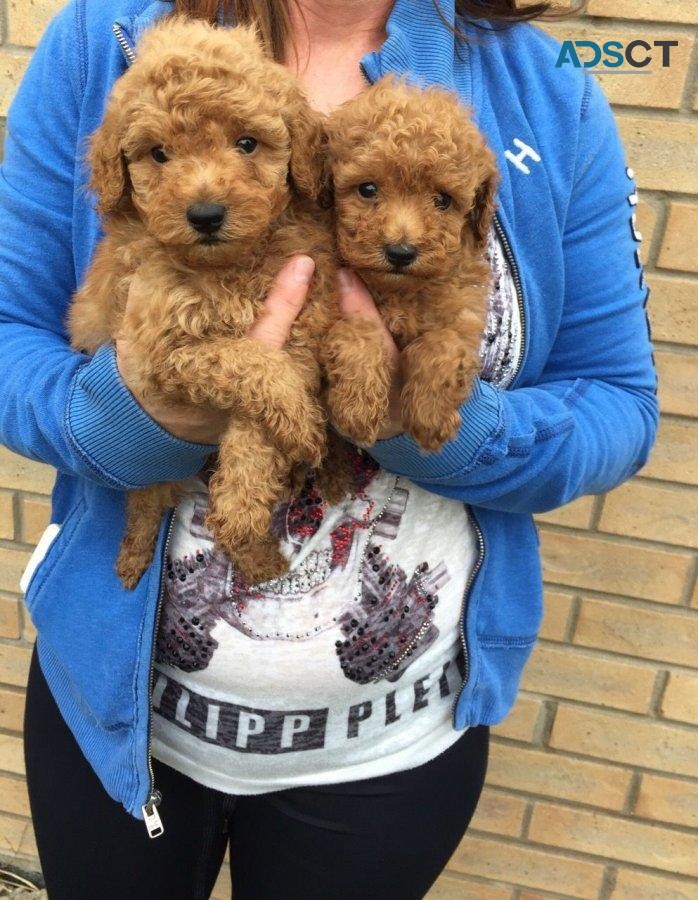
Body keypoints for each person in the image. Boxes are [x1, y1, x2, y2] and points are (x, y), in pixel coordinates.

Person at [0, 0, 657, 897]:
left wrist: (432, 431)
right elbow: (10, 335)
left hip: (390, 747)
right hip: (117, 713)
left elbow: (620, 407)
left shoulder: (546, 92)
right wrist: (133, 420)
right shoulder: (103, 37)